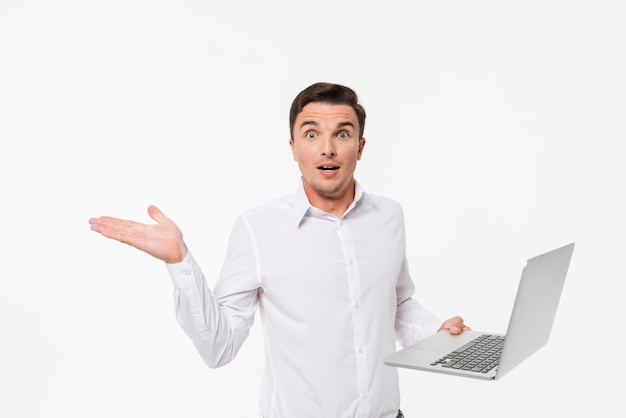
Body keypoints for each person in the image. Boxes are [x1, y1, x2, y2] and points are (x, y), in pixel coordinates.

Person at [89, 82, 470, 418]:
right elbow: (218, 348)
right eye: (310, 134)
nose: (327, 149)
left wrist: (435, 333)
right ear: (292, 147)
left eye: (342, 134)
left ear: (361, 146)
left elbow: (397, 304)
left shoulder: (388, 216)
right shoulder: (258, 229)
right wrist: (179, 262)